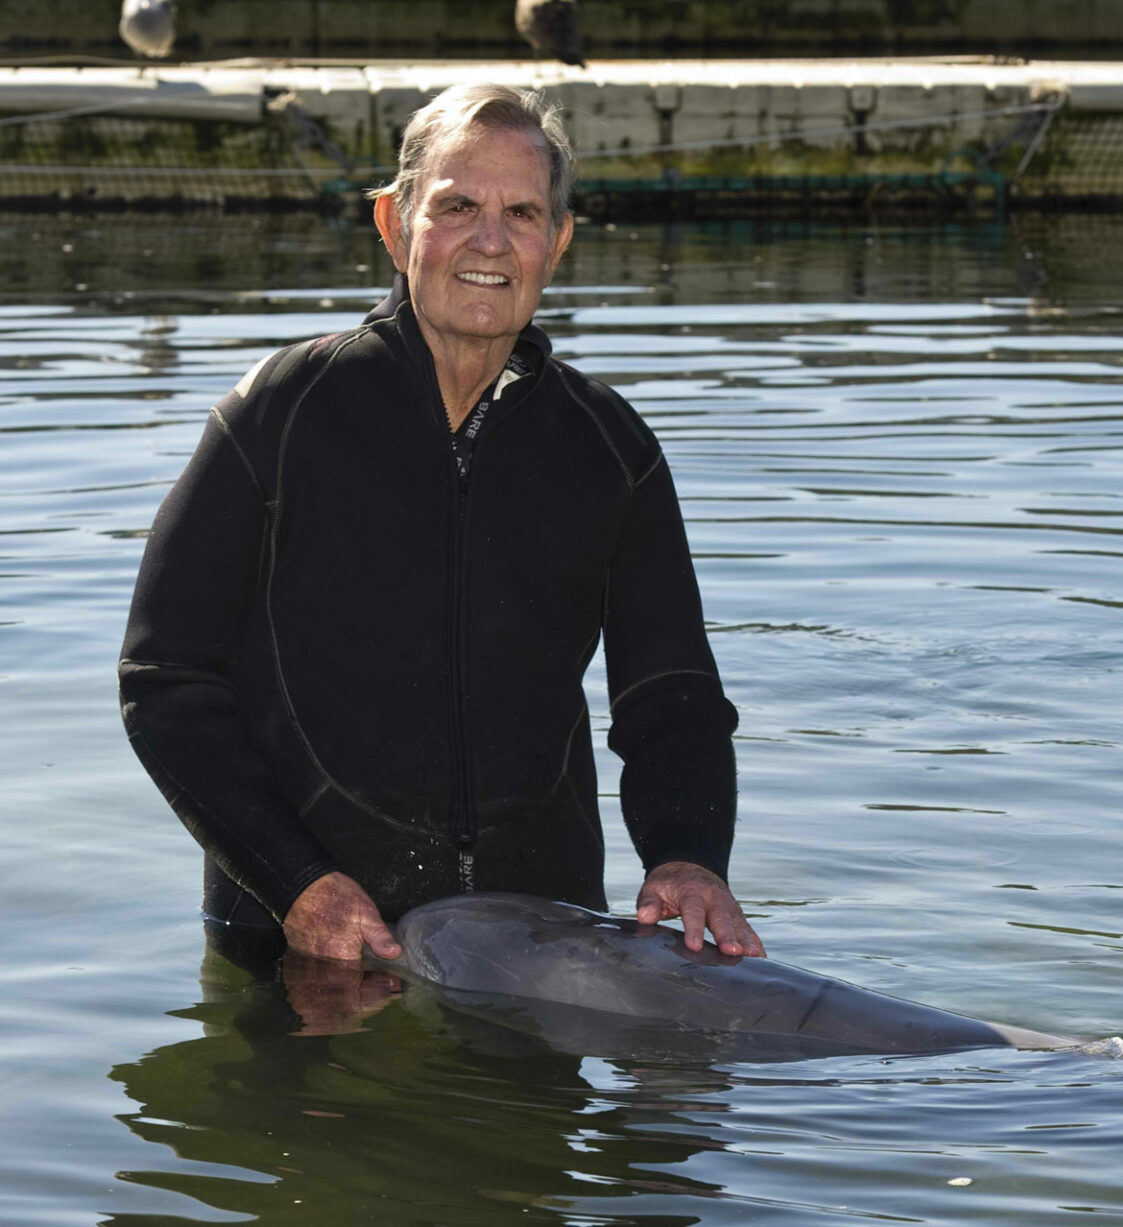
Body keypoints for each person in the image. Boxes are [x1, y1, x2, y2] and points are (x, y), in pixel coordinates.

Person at [119, 83, 763, 977]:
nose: (490, 241)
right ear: (394, 223)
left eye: (522, 213)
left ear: (559, 241)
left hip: (535, 947)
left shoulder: (610, 449)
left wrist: (688, 856)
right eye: (456, 206)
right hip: (295, 946)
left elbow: (672, 699)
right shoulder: (280, 416)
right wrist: (299, 884)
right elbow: (166, 680)